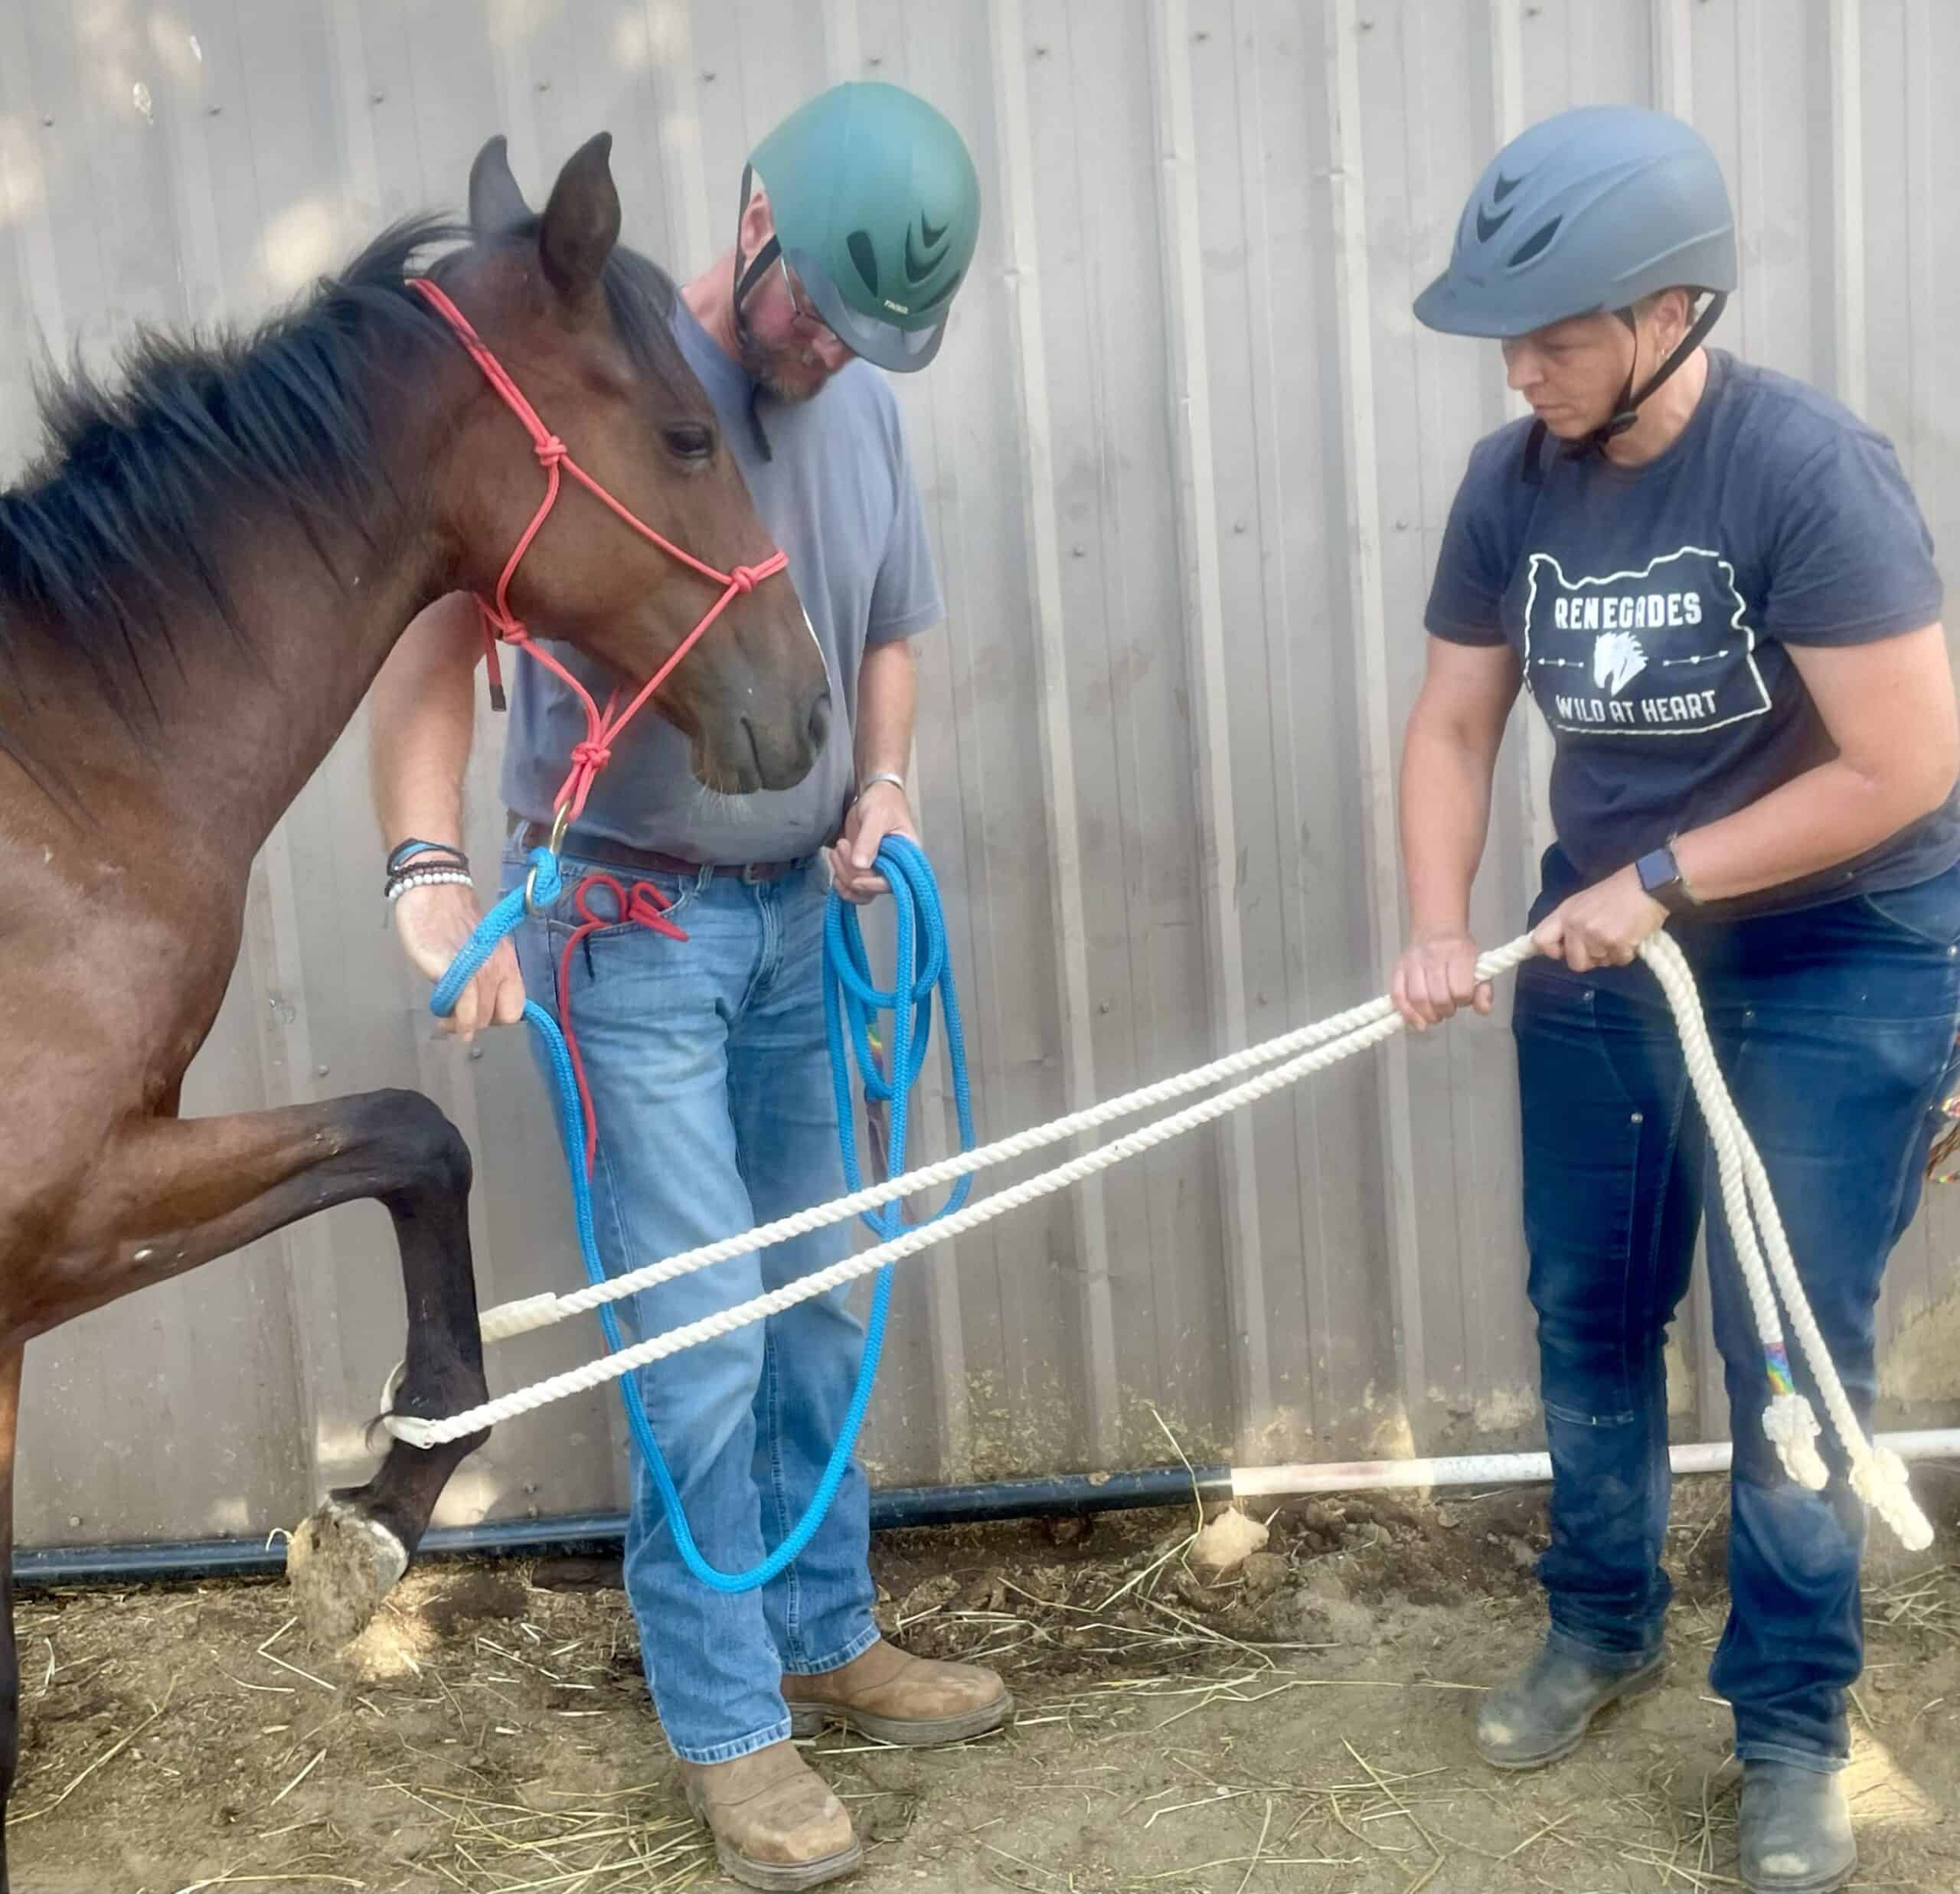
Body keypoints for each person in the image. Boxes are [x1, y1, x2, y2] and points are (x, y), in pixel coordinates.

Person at [369, 82, 1008, 1893]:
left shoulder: (860, 406)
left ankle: (824, 1625)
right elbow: (433, 640)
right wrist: (430, 884)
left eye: (864, 331)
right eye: (810, 303)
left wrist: (880, 788)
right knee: (701, 1337)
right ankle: (729, 1721)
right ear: (748, 221)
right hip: (628, 932)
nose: (821, 347)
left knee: (818, 1293)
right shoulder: (598, 379)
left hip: (802, 921)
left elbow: (889, 630)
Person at [1393, 105, 1960, 1894]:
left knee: (1785, 1347)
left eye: (1556, 332)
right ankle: (1598, 1618)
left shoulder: (1805, 474)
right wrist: (1430, 923)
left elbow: (1904, 764)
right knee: (1586, 1309)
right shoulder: (1512, 486)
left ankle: (1790, 1728)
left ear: (1672, 313)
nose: (1521, 369)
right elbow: (1453, 719)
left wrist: (1658, 876)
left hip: (1830, 953)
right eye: (1510, 331)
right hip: (1604, 952)